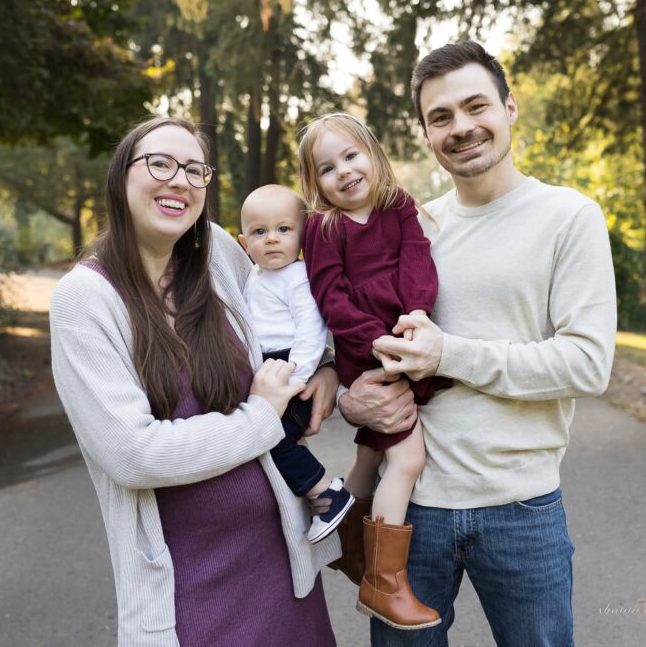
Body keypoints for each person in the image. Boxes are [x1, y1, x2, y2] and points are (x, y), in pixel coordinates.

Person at [340, 42, 618, 646]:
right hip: (410, 510)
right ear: (425, 133)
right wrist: (348, 401)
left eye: (475, 106)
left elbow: (589, 364)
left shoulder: (569, 217)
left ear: (509, 107)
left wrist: (450, 354)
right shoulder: (412, 226)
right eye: (441, 117)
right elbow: (353, 337)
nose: (461, 127)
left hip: (521, 510)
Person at [49, 116, 341, 647]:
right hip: (189, 594)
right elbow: (133, 454)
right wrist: (261, 417)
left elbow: (296, 309)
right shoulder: (85, 299)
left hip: (285, 573)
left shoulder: (220, 257)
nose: (179, 180)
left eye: (195, 170)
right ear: (121, 178)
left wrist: (326, 368)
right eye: (159, 163)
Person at [298, 112, 449, 631]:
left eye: (351, 156)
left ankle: (347, 542)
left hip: (408, 335)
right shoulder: (324, 226)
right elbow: (329, 295)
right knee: (406, 459)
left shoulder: (399, 207)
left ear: (374, 154)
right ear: (314, 183)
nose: (343, 172)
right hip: (368, 353)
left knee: (370, 451)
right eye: (326, 168)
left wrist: (417, 314)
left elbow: (417, 261)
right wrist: (376, 339)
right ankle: (385, 583)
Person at [238, 183, 355, 543]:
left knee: (274, 437)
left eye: (284, 230)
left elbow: (310, 330)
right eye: (260, 232)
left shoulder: (298, 277)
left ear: (303, 237)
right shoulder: (254, 277)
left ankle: (327, 493)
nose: (272, 239)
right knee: (267, 438)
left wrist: (297, 380)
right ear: (244, 242)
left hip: (291, 369)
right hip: (268, 370)